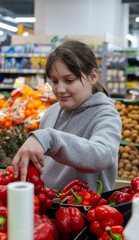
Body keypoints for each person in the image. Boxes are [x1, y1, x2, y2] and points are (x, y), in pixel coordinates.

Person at [12, 40, 122, 192]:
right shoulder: (52, 112)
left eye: (69, 80)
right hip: (47, 203)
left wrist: (50, 138)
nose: (60, 89)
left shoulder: (106, 115)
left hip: (83, 210)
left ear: (92, 76)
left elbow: (103, 155)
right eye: (55, 81)